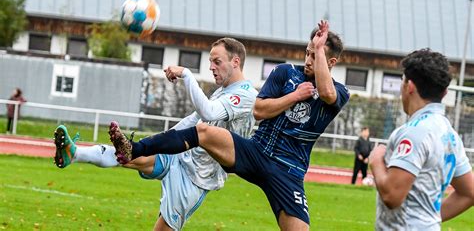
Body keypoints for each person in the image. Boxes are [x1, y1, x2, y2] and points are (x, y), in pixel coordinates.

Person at [109, 20, 350, 230]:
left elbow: (327, 93)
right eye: (308, 52)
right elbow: (258, 111)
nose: (308, 59)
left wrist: (319, 49)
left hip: (289, 171)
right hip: (256, 152)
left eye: (315, 55)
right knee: (204, 131)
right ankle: (135, 148)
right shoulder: (284, 73)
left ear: (331, 62)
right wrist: (294, 96)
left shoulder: (340, 92)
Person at [53, 37, 258, 231]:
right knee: (128, 155)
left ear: (235, 62)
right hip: (179, 156)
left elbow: (209, 112)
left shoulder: (247, 95)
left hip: (197, 178)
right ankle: (74, 153)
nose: (211, 67)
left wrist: (186, 74)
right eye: (210, 62)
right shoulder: (223, 90)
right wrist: (160, 141)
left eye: (217, 61)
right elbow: (195, 120)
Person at [368, 48, 474, 230]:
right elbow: (469, 193)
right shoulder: (450, 134)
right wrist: (428, 220)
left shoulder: (414, 132)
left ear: (409, 86)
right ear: (445, 91)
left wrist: (376, 160)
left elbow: (392, 196)